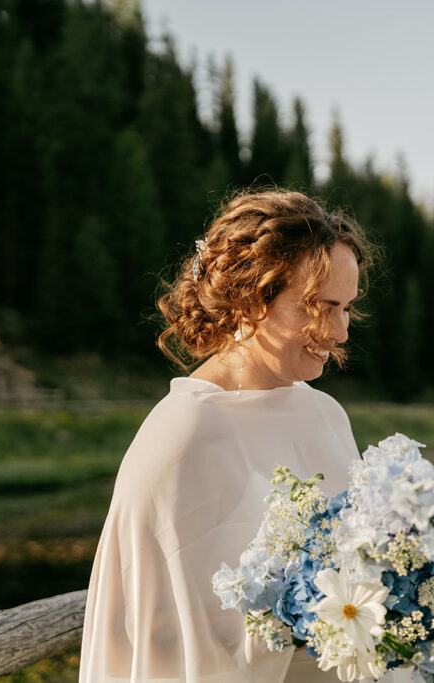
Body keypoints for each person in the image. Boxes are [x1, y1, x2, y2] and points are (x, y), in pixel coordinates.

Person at [79, 190, 394, 682]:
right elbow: (155, 640)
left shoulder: (326, 416)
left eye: (347, 308)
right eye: (320, 307)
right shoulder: (183, 433)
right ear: (251, 299)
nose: (340, 332)